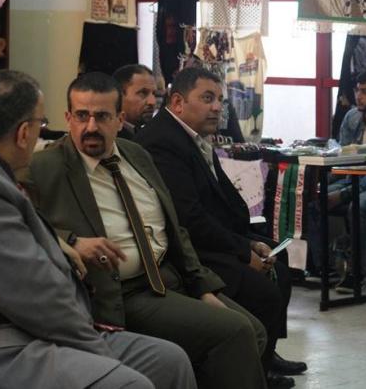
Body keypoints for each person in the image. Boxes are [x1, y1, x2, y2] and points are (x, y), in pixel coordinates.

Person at [23, 72, 269, 389]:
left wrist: (202, 286)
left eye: (102, 117)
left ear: (119, 119)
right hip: (124, 292)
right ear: (68, 118)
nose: (91, 127)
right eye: (82, 116)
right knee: (236, 332)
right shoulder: (45, 166)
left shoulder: (135, 154)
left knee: (254, 330)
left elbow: (175, 227)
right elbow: (19, 223)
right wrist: (71, 241)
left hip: (169, 275)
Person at [0, 70, 195, 389]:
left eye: (102, 116)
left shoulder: (0, 175)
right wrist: (99, 353)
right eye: (42, 124)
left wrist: (62, 242)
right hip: (16, 340)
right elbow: (36, 293)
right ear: (24, 133)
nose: (91, 127)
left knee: (170, 361)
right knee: (131, 383)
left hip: (65, 318)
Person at [135, 67, 306, 389]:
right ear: (178, 102)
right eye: (207, 98)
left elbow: (225, 201)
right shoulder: (163, 142)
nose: (217, 107)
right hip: (190, 250)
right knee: (266, 291)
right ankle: (255, 371)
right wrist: (242, 250)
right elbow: (188, 217)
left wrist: (249, 242)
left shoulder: (192, 137)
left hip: (211, 236)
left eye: (219, 100)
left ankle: (266, 354)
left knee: (277, 256)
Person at [321, 68, 366, 293]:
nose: (359, 96)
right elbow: (342, 158)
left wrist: (344, 193)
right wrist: (327, 182)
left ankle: (356, 273)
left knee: (357, 206)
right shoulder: (351, 117)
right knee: (314, 198)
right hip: (352, 177)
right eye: (357, 91)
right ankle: (322, 268)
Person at [113, 64, 158, 140]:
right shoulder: (110, 140)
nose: (152, 102)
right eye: (143, 93)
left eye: (154, 94)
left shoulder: (146, 135)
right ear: (119, 96)